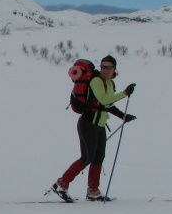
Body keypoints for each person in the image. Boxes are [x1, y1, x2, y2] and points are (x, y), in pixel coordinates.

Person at [52, 55, 136, 201]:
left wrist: (123, 115)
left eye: (109, 67)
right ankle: (61, 184)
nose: (105, 70)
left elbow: (107, 105)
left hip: (99, 125)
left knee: (98, 158)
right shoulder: (97, 81)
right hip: (87, 124)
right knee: (87, 157)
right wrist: (124, 94)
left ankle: (93, 191)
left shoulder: (109, 83)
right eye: (103, 67)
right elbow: (103, 101)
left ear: (114, 69)